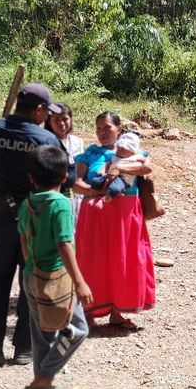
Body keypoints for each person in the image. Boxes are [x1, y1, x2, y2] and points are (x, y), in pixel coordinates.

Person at [0, 83, 63, 367]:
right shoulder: (47, 139)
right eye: (47, 111)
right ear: (39, 109)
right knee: (31, 281)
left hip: (0, 222)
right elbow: (60, 178)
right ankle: (25, 349)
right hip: (36, 224)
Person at [17, 146, 92, 389]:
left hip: (31, 276)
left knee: (41, 336)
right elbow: (64, 245)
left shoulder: (28, 203)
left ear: (31, 178)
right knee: (77, 329)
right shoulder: (61, 204)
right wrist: (80, 282)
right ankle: (44, 378)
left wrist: (30, 268)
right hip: (57, 279)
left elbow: (24, 239)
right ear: (64, 178)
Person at [73, 112, 156, 330]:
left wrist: (118, 168)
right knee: (93, 261)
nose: (102, 132)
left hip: (126, 215)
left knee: (125, 260)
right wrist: (94, 190)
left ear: (118, 130)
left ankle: (118, 312)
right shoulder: (89, 154)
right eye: (98, 128)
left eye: (107, 128)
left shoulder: (136, 151)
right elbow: (76, 183)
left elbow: (146, 168)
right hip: (95, 213)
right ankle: (88, 313)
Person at [45, 103, 84, 222]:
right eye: (56, 119)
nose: (61, 123)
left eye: (65, 119)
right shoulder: (45, 142)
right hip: (55, 195)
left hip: (76, 196)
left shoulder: (78, 142)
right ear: (49, 122)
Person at [90, 132, 147, 200]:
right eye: (119, 148)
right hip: (109, 174)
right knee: (96, 181)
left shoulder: (135, 157)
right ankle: (96, 191)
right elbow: (108, 163)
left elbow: (145, 160)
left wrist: (145, 164)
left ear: (132, 151)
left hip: (123, 178)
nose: (120, 151)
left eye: (123, 149)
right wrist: (102, 170)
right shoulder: (116, 156)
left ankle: (108, 197)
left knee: (115, 188)